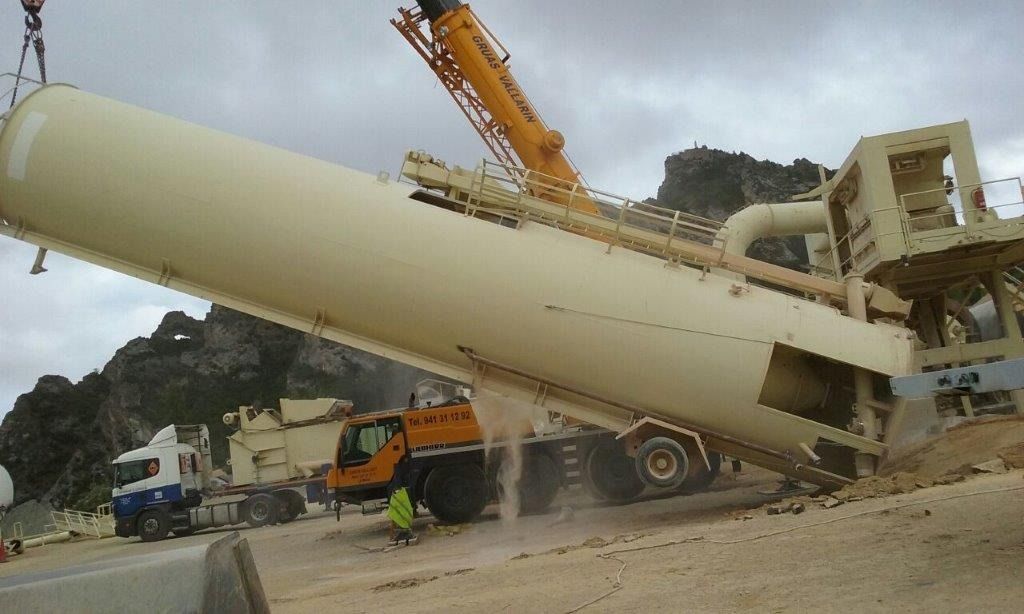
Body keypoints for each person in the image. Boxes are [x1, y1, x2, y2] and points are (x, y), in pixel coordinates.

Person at [386, 460, 415, 546]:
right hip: (398, 495)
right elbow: (392, 523)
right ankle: (398, 464)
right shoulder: (402, 519)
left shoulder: (407, 520)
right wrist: (391, 538)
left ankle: (398, 464)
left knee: (398, 477)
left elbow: (392, 523)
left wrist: (391, 539)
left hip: (400, 495)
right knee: (397, 478)